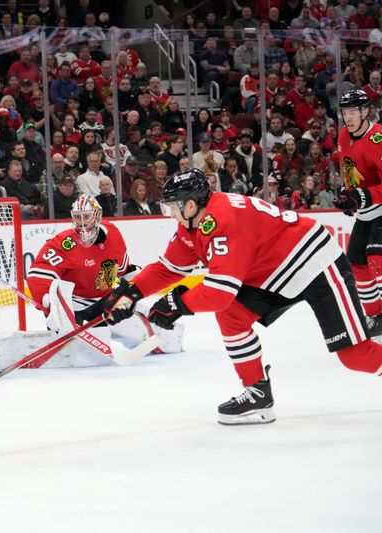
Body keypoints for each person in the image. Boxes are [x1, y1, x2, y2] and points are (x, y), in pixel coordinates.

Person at [105, 168, 382, 425]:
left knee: (355, 356)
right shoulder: (193, 223)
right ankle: (258, 394)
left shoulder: (222, 220)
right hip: (271, 272)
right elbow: (169, 268)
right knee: (232, 315)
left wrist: (176, 304)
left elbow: (219, 293)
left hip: (314, 264)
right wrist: (130, 291)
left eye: (172, 206)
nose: (169, 213)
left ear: (191, 204)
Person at [0, 195, 183, 369]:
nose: (82, 223)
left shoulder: (113, 234)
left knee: (168, 340)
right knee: (91, 358)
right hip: (75, 309)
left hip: (106, 304)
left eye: (86, 216)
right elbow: (38, 274)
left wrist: (128, 296)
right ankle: (8, 352)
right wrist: (51, 306)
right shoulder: (65, 243)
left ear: (97, 216)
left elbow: (124, 270)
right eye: (78, 217)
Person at [331, 90, 382, 336]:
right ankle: (375, 316)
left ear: (365, 111)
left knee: (377, 261)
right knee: (357, 263)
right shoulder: (343, 135)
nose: (347, 117)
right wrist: (348, 194)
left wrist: (363, 196)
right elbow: (349, 169)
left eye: (352, 112)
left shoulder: (378, 138)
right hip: (367, 212)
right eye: (344, 112)